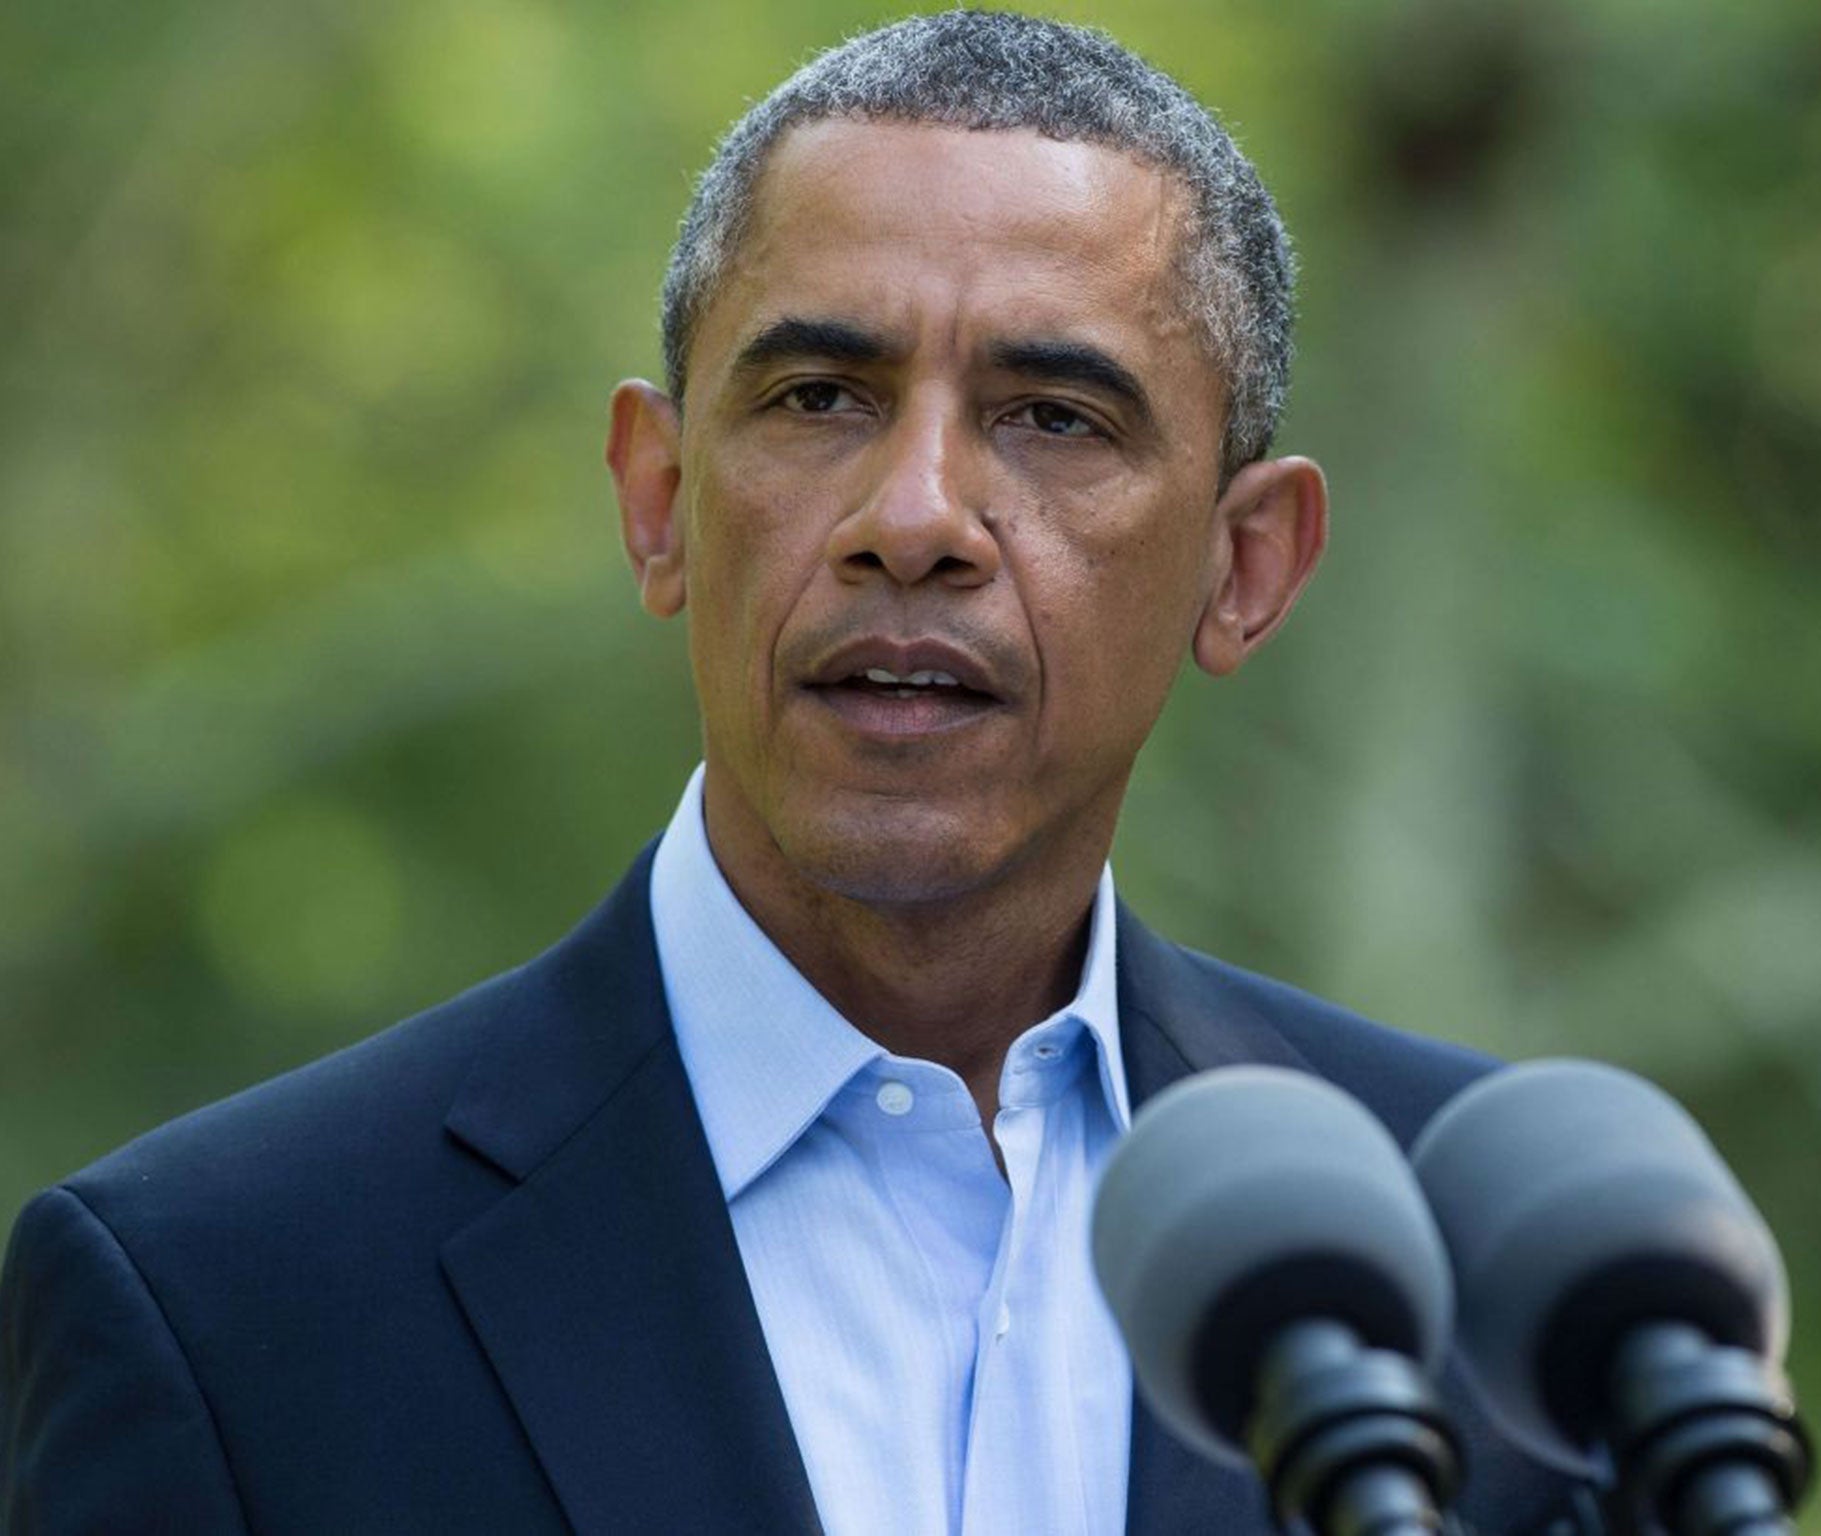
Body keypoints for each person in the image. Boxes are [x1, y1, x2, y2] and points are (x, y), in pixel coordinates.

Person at [1, 13, 1590, 1534]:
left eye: (1053, 416)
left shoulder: (1500, 1262)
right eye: (819, 398)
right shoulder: (227, 1302)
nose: (917, 516)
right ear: (659, 499)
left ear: (1247, 567)